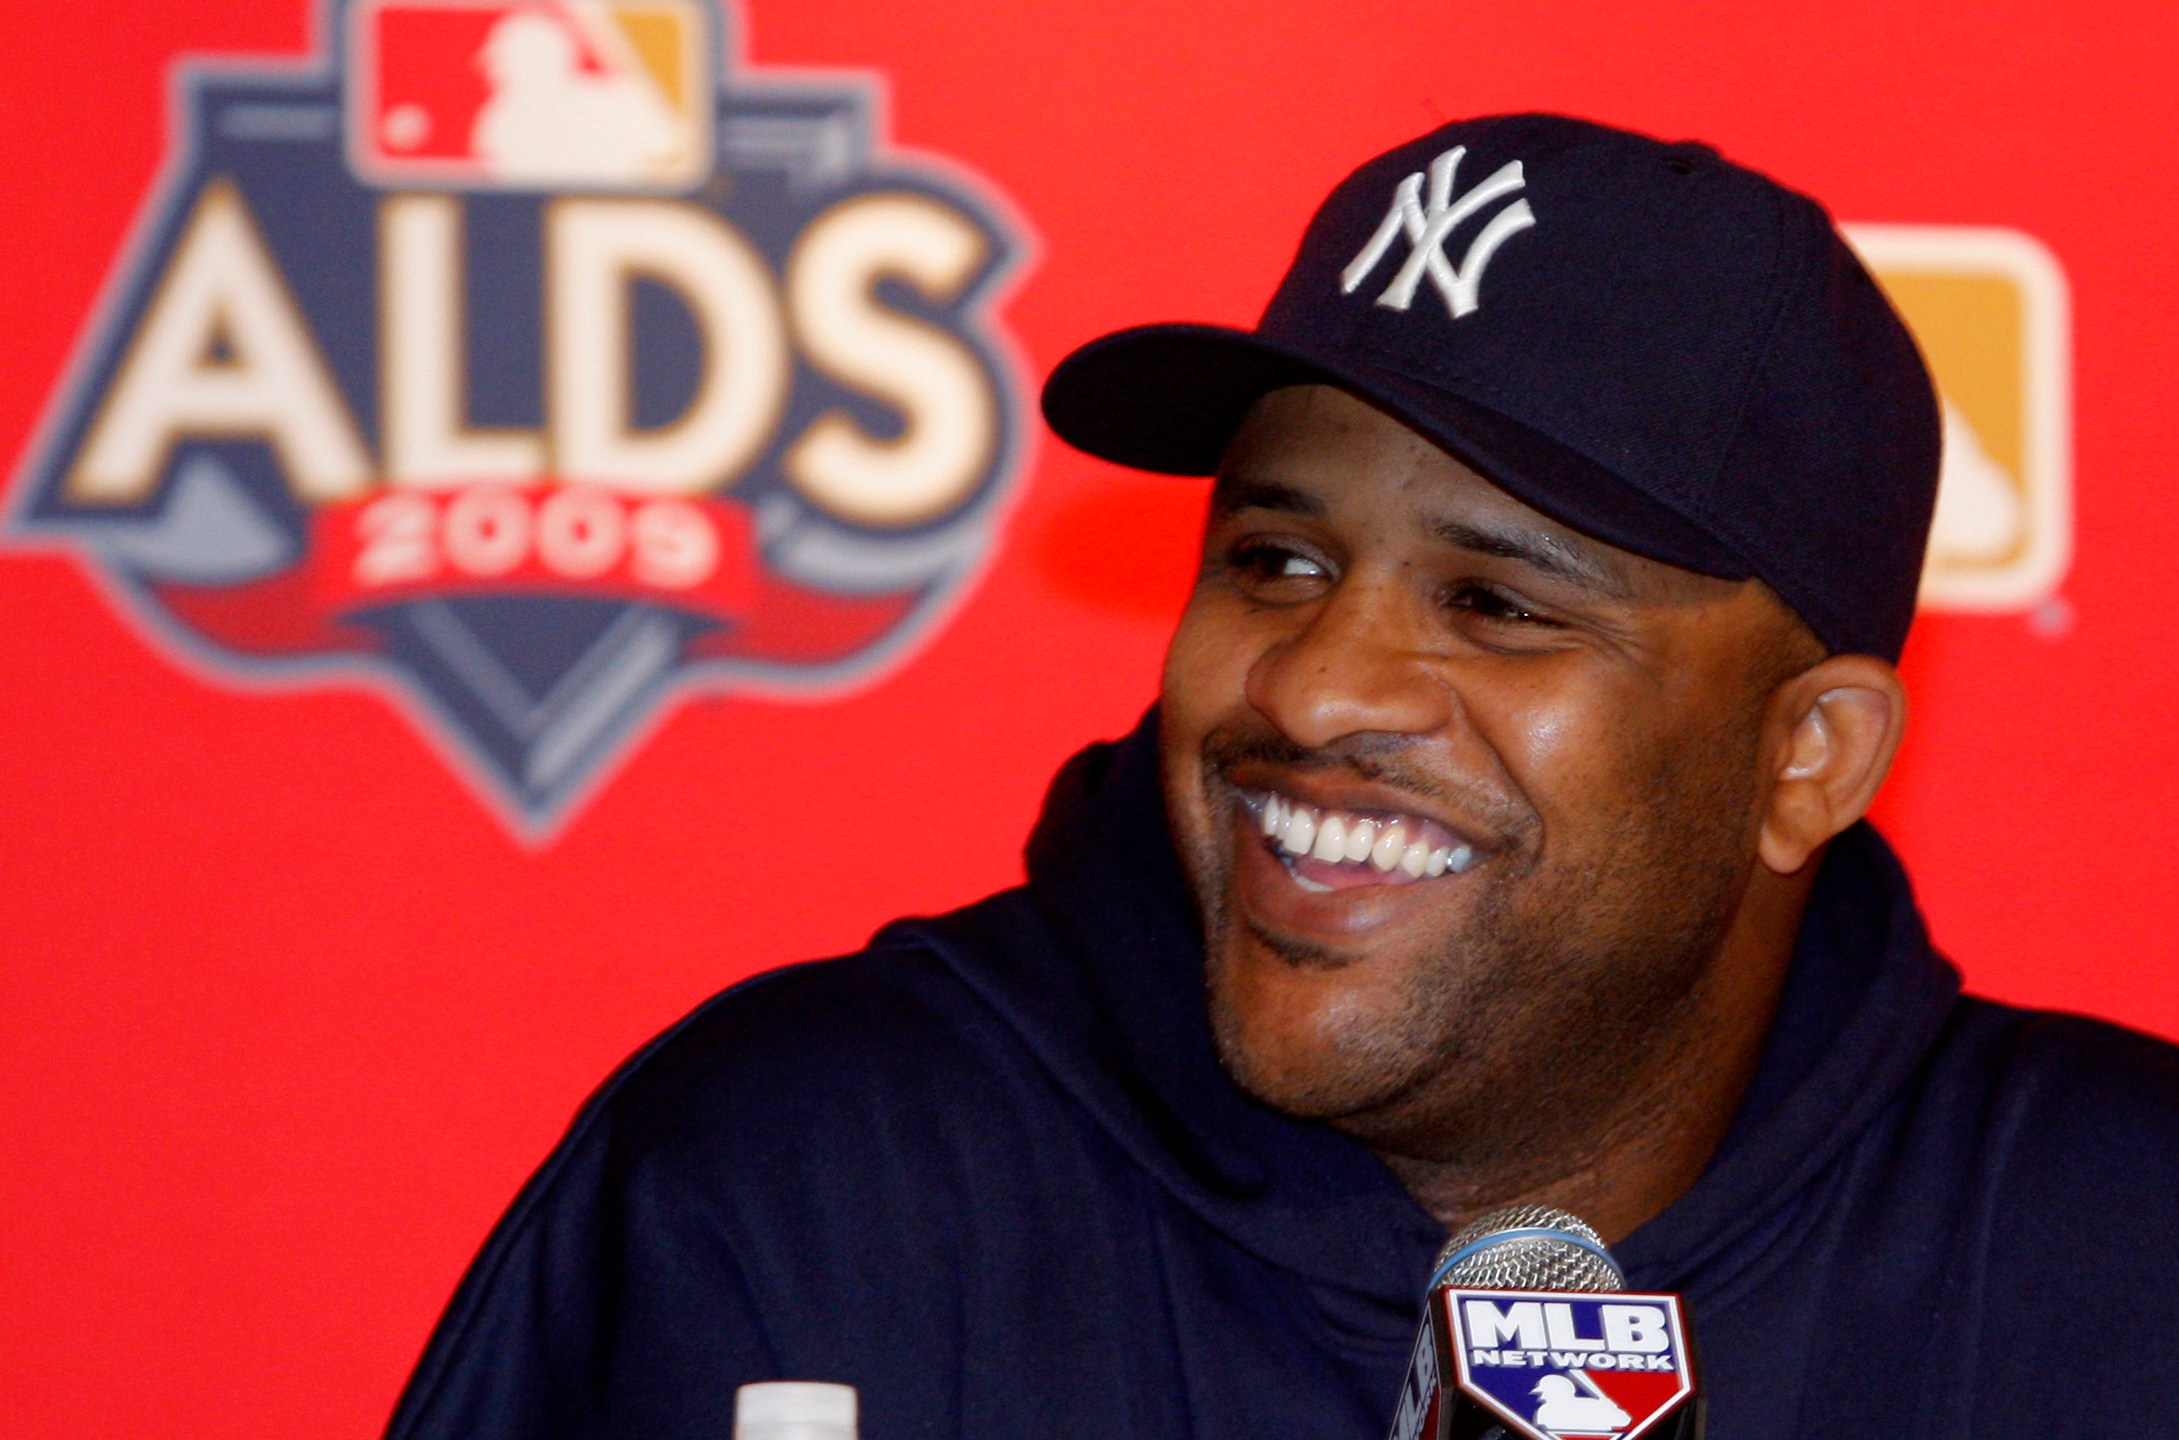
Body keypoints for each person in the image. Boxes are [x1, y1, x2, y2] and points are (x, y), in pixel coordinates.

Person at [385, 114, 2179, 1440]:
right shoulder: (798, 1179)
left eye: (1494, 604)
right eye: (1276, 565)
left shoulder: (2116, 1248)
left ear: (1809, 758)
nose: (1315, 690)